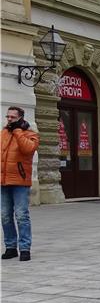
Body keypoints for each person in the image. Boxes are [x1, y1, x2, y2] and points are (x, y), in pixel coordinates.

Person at [1, 107, 40, 261]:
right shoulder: (3, 133)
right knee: (5, 216)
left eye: (12, 117)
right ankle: (10, 247)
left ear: (21, 118)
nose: (9, 119)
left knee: (21, 215)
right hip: (3, 180)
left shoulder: (30, 134)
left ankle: (24, 248)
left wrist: (17, 131)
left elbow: (28, 149)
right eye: (7, 116)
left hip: (20, 181)